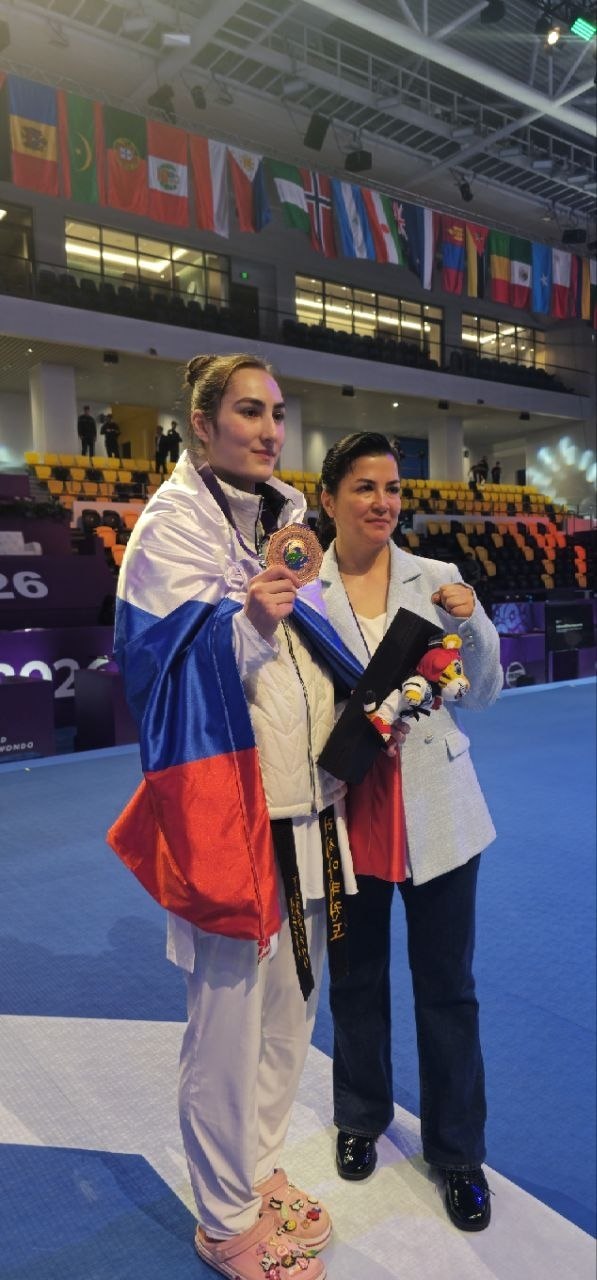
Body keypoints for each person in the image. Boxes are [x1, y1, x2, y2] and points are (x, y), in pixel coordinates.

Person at [108, 353, 358, 1280]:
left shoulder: (286, 522)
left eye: (277, 414)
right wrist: (245, 621)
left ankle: (255, 1170)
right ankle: (222, 1219)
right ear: (203, 423)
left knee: (291, 1013)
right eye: (249, 411)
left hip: (307, 806)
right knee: (226, 1026)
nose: (268, 430)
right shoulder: (169, 527)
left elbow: (314, 649)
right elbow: (155, 671)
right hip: (230, 817)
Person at [314, 432, 503, 1232]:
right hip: (346, 808)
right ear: (329, 498)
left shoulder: (439, 579)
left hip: (437, 810)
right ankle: (360, 1117)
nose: (382, 502)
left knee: (448, 989)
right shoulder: (305, 589)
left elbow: (482, 692)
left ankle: (457, 1154)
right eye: (364, 487)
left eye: (392, 488)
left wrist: (475, 620)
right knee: (355, 979)